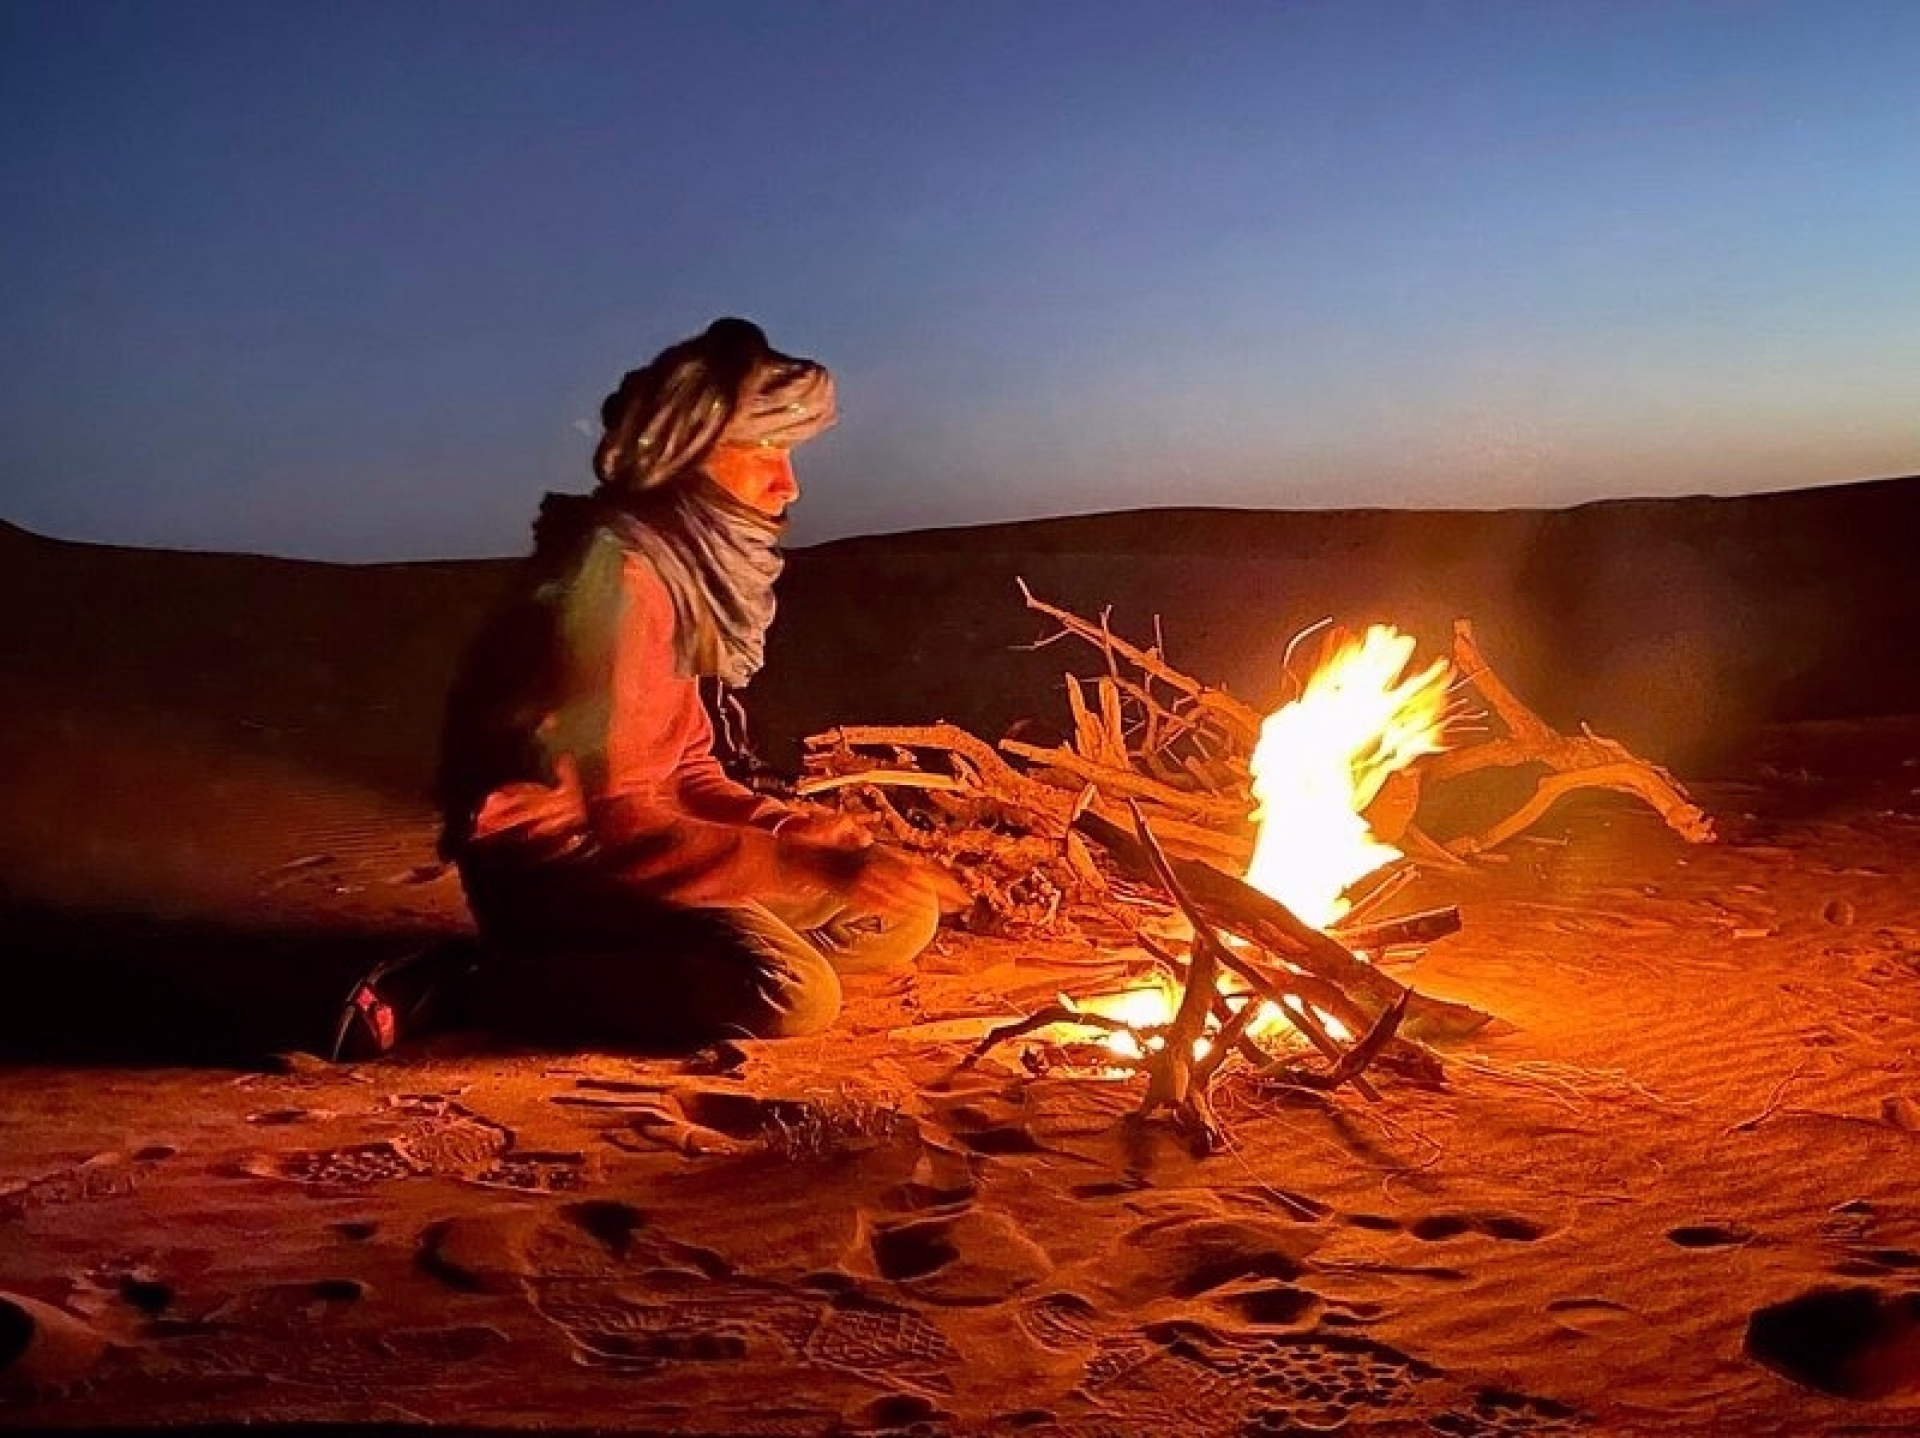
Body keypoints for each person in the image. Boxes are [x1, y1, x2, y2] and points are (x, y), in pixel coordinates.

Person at [430, 317, 957, 1048]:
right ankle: (500, 984)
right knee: (792, 997)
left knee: (902, 915)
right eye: (765, 450)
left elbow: (686, 769)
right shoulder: (611, 582)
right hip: (563, 873)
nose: (788, 484)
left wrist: (795, 831)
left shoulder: (678, 572)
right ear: (691, 457)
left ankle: (683, 959)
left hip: (644, 848)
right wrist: (805, 866)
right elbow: (620, 819)